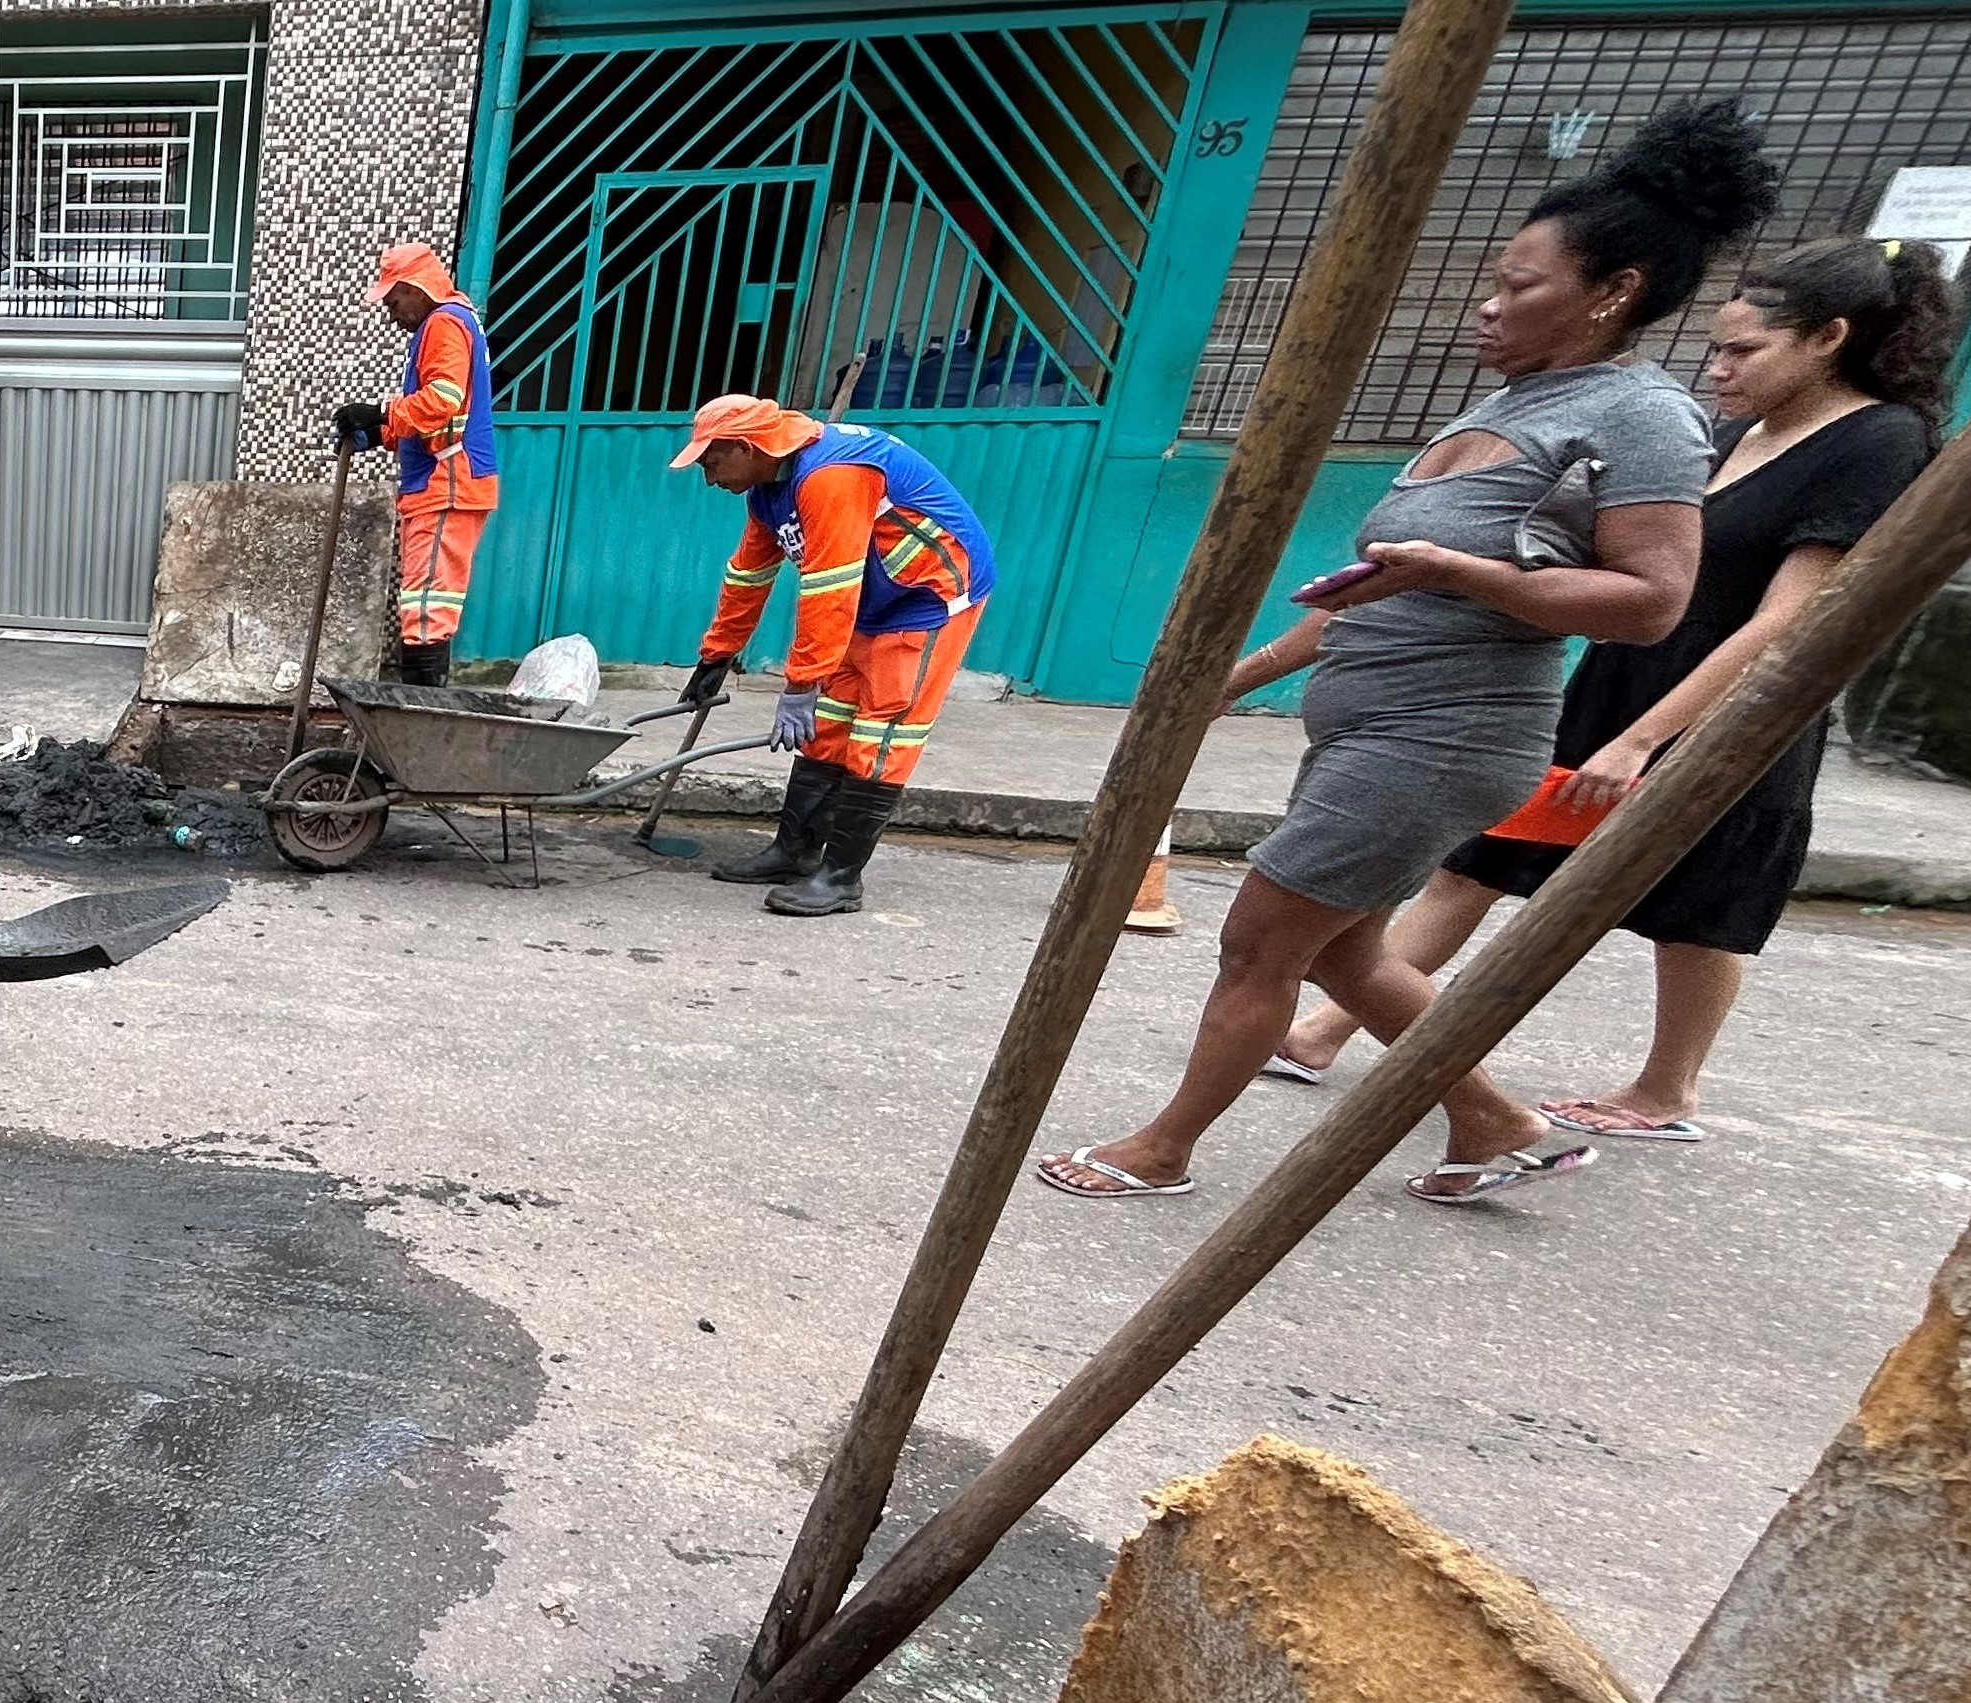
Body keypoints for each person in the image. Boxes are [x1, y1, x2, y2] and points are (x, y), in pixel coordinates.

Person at [1037, 102, 1771, 1206]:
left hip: (1449, 734)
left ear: (1612, 291)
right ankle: (1491, 1118)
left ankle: (1165, 1149)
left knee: (1260, 944)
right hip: (1371, 725)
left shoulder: (1643, 416)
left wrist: (1462, 574)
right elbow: (1374, 591)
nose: (1489, 303)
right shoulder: (1518, 401)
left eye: (1521, 284)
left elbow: (1654, 602)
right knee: (1346, 952)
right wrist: (1230, 681)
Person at [1271, 237, 1957, 1137]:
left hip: (1736, 703)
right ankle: (1330, 1027)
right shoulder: (1724, 434)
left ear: (1828, 338)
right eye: (1716, 348)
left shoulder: (1878, 442)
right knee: (1483, 855)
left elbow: (1785, 622)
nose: (1718, 370)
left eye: (1743, 352)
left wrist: (1644, 741)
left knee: (1700, 903)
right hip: (1619, 671)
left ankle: (1667, 1088)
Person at [673, 394, 998, 916]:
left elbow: (829, 587)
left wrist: (800, 683)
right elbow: (748, 575)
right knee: (827, 729)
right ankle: (795, 852)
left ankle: (842, 878)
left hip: (926, 599)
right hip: (869, 601)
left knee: (881, 733)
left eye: (712, 462)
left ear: (746, 447)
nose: (709, 478)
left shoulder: (833, 477)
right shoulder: (768, 489)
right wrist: (716, 656)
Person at [334, 244, 496, 686]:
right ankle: (418, 711)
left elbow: (442, 403)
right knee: (426, 603)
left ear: (414, 288)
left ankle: (420, 711)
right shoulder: (451, 321)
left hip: (448, 484)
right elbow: (435, 419)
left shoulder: (443, 324)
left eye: (392, 301)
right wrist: (378, 434)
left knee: (428, 609)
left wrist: (381, 412)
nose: (390, 314)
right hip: (445, 480)